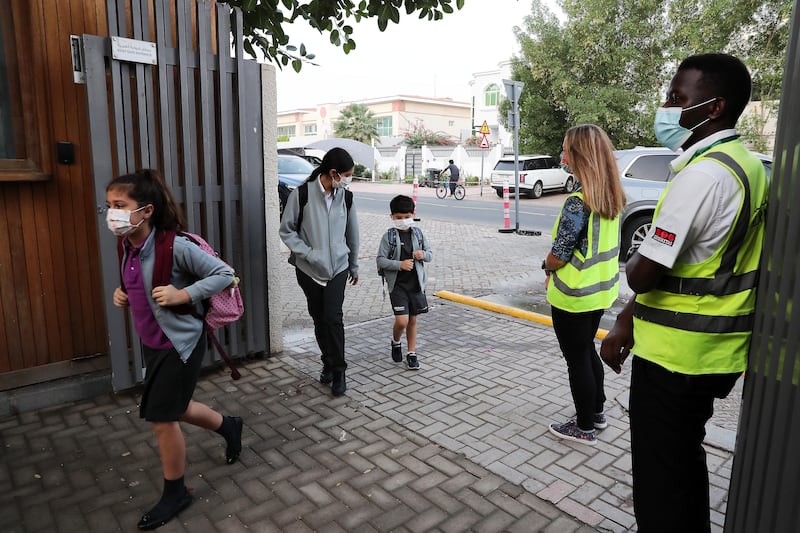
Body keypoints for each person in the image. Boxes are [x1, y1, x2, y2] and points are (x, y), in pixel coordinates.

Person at [599, 53, 769, 532]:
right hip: (712, 352)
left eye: (677, 98)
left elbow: (641, 273)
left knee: (660, 486)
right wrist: (627, 319)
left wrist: (642, 255)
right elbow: (697, 270)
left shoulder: (701, 175)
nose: (667, 107)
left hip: (677, 357)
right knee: (681, 469)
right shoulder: (746, 164)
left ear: (714, 107)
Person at [106, 169, 243, 530]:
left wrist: (184, 294)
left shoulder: (176, 246)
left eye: (121, 205)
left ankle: (176, 492)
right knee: (176, 408)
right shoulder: (128, 245)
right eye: (108, 206)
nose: (112, 214)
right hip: (153, 343)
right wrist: (124, 293)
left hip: (180, 344)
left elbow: (225, 274)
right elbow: (136, 283)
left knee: (162, 417)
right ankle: (229, 426)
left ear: (146, 210)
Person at [544, 124, 625, 446]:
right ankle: (597, 412)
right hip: (601, 291)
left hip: (573, 295)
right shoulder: (612, 197)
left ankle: (584, 426)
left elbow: (559, 255)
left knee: (576, 359)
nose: (563, 154)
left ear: (580, 155)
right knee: (585, 350)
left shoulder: (579, 202)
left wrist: (545, 265)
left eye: (566, 149)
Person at [279, 147, 359, 397]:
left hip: (337, 268)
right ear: (332, 172)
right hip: (309, 270)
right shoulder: (301, 194)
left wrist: (354, 264)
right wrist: (309, 254)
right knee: (319, 318)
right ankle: (327, 360)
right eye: (346, 175)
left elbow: (352, 233)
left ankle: (339, 371)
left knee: (333, 318)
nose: (348, 179)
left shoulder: (345, 196)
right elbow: (286, 230)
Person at [376, 195, 433, 370]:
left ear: (413, 214)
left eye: (406, 216)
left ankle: (411, 353)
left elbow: (430, 254)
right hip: (398, 286)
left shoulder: (418, 233)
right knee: (402, 321)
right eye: (398, 217)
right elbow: (380, 260)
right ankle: (395, 341)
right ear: (392, 217)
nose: (403, 220)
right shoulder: (389, 236)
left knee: (413, 321)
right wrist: (399, 265)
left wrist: (423, 254)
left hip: (416, 285)